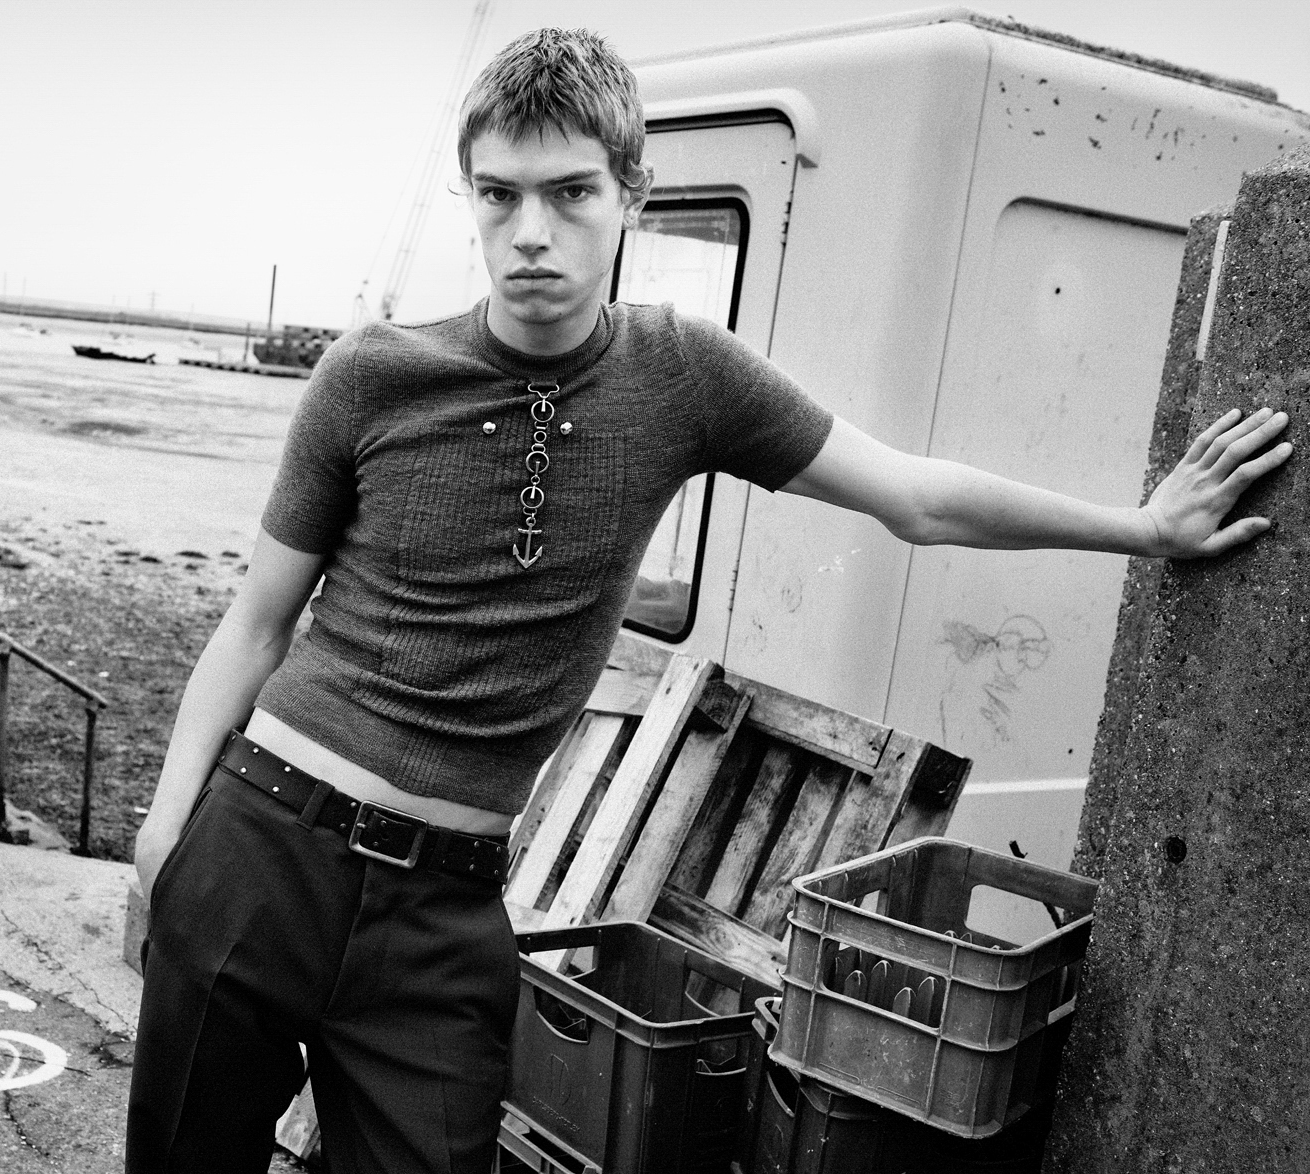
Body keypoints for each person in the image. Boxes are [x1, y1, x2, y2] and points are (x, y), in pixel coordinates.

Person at [124, 27, 1290, 1174]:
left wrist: (1145, 527)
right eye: (498, 196)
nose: (530, 233)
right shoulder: (368, 375)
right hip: (260, 848)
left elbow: (914, 497)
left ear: (631, 191)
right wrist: (165, 836)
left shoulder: (680, 375)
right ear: (469, 197)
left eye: (570, 192)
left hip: (442, 915)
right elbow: (257, 622)